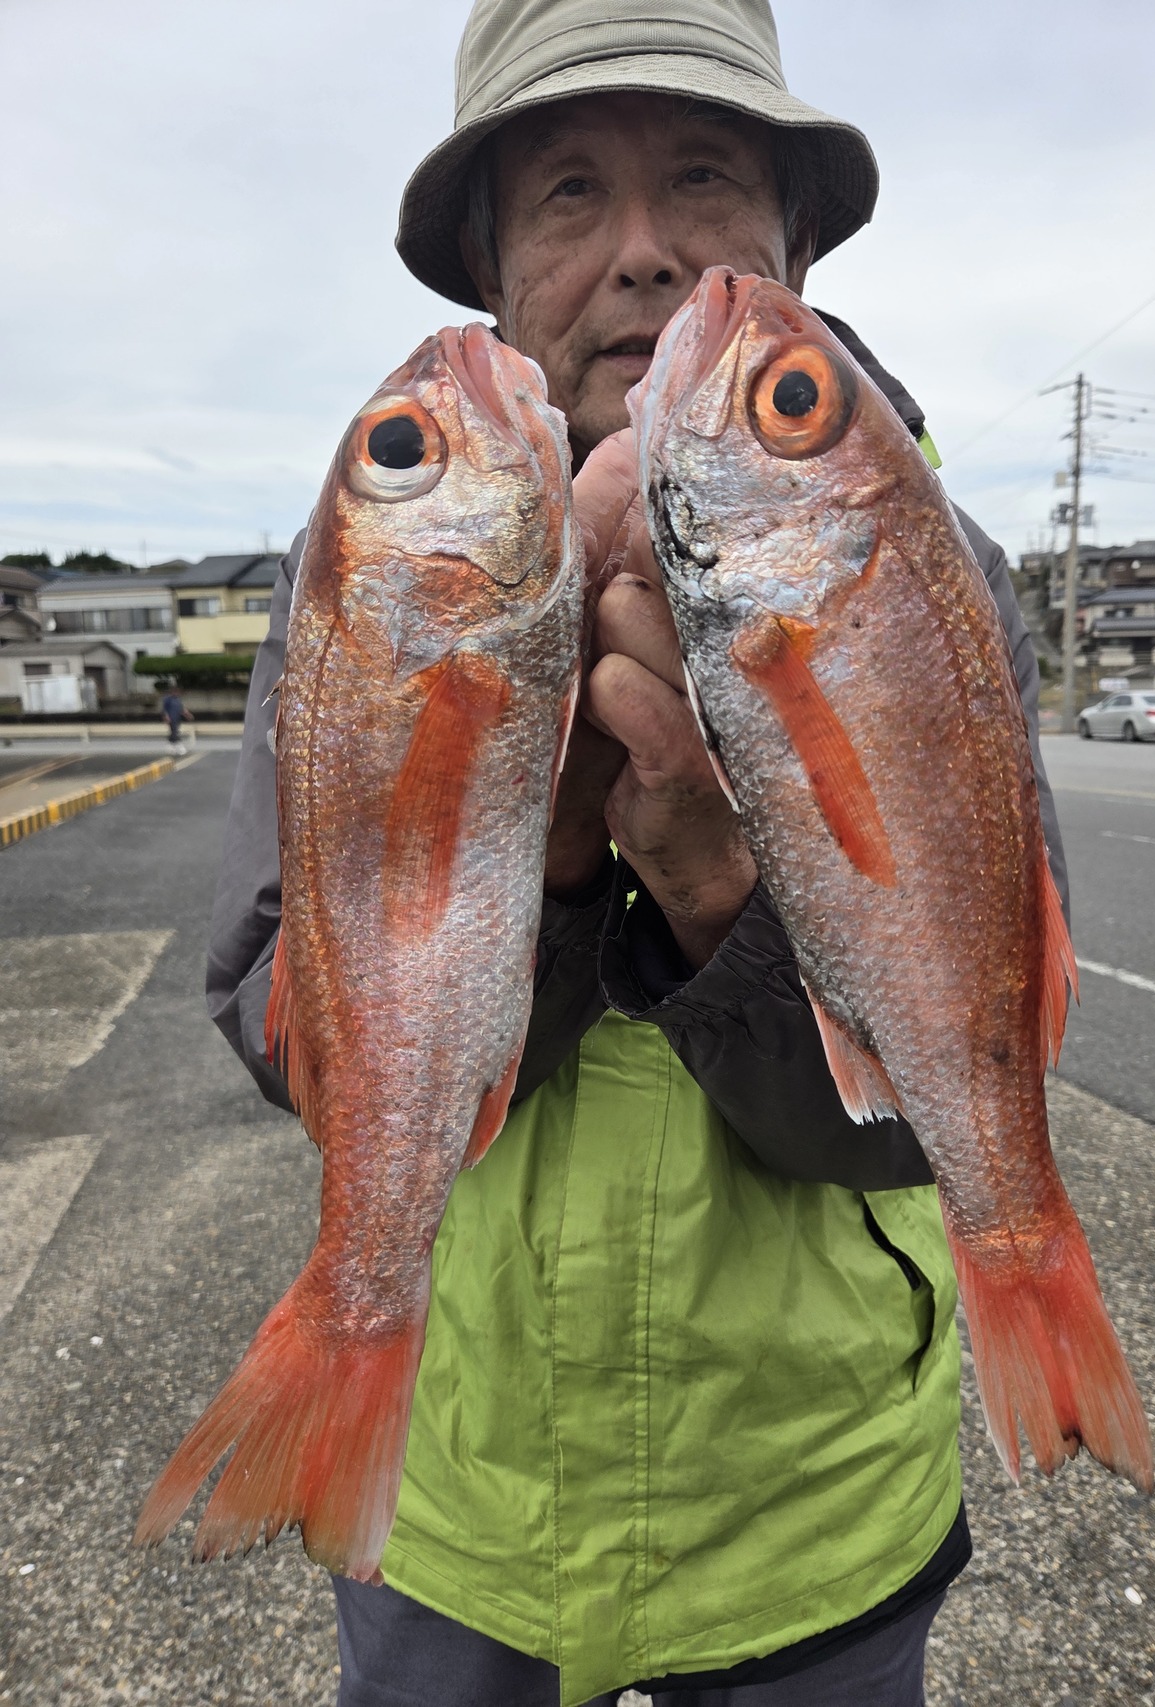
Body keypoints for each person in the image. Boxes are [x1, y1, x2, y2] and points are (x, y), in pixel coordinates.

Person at [207, 2, 1067, 1703]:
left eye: (706, 179)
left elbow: (943, 1101)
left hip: (813, 1514)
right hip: (462, 1505)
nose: (647, 251)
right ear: (489, 263)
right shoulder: (367, 574)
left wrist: (714, 897)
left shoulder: (930, 574)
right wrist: (543, 863)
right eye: (570, 191)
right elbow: (277, 1021)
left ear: (795, 237)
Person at [160, 684, 193, 752]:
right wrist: (166, 717)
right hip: (171, 718)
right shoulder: (168, 699)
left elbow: (182, 709)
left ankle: (170, 745)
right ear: (173, 691)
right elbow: (164, 709)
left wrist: (188, 715)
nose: (178, 693)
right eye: (176, 691)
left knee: (174, 731)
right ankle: (179, 745)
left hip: (177, 718)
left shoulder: (178, 699)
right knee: (175, 732)